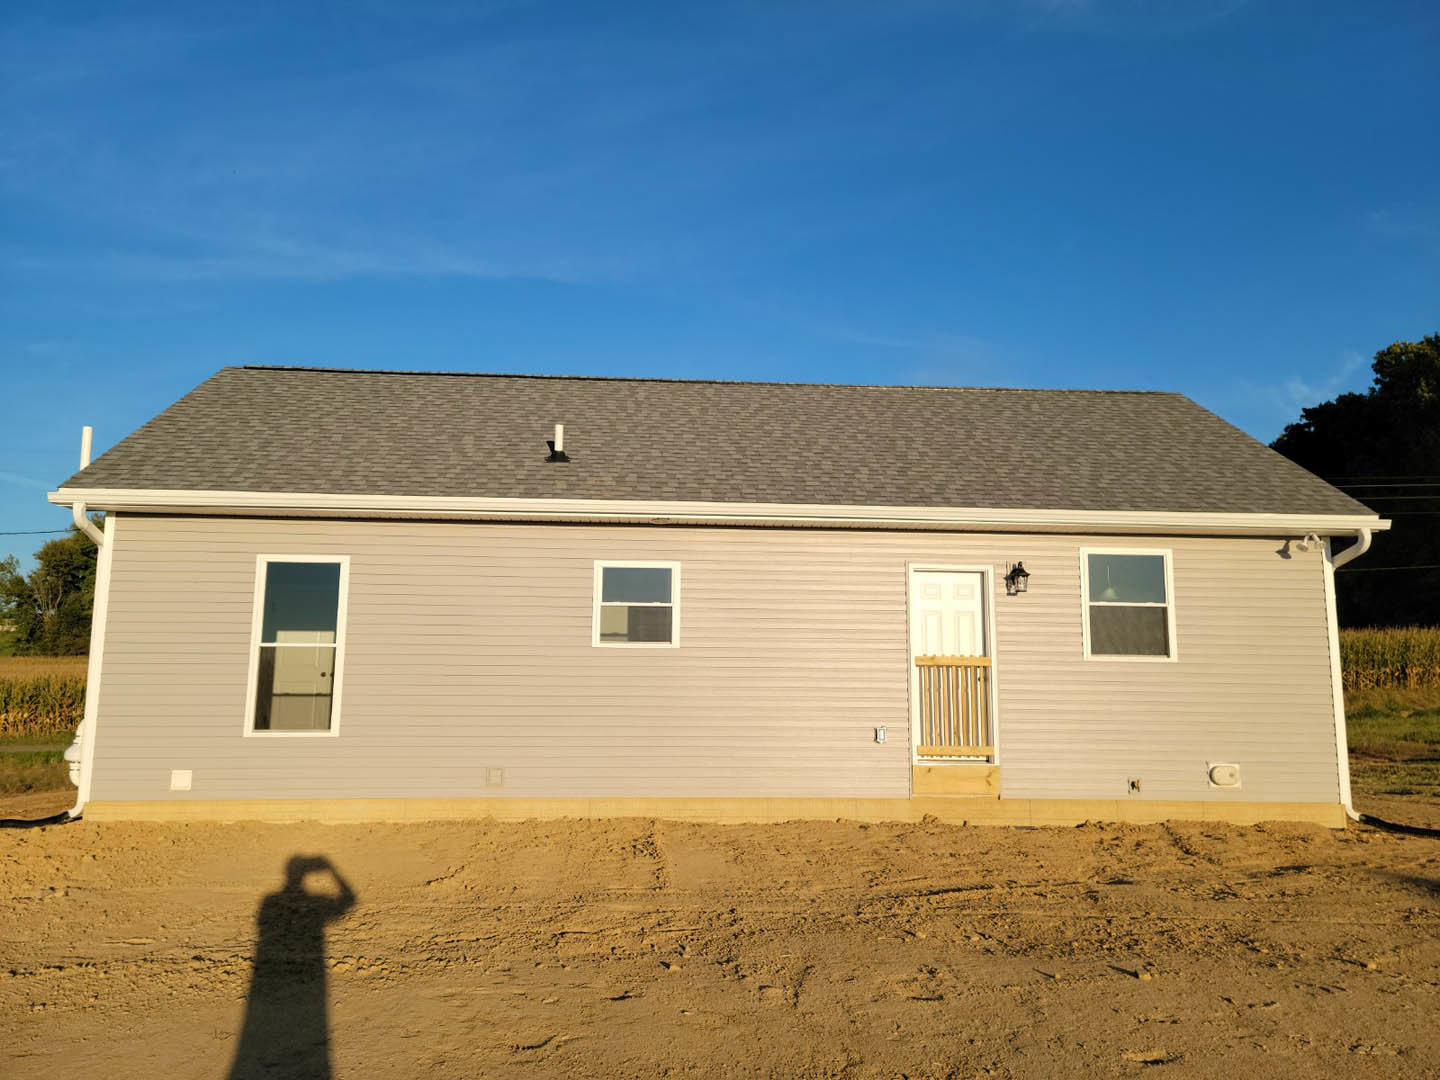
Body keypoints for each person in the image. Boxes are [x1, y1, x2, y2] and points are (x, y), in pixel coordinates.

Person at [227, 856, 357, 1080]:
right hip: (309, 979)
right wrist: (333, 871)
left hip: (271, 981)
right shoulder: (313, 902)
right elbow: (349, 901)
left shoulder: (269, 900)